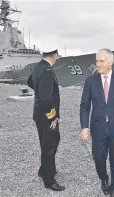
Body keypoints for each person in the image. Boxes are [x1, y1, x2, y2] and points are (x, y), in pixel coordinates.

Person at [79, 48, 114, 197]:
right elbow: (84, 106)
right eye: (96, 61)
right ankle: (104, 178)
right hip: (98, 129)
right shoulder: (90, 81)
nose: (98, 64)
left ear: (110, 62)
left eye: (101, 61)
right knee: (99, 159)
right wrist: (84, 127)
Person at [27, 49, 65, 191]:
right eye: (57, 55)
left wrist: (39, 89)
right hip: (46, 115)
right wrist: (53, 117)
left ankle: (44, 170)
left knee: (50, 142)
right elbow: (47, 99)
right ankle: (49, 180)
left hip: (39, 113)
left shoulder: (39, 67)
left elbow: (29, 81)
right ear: (54, 56)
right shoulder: (47, 70)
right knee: (49, 145)